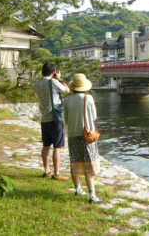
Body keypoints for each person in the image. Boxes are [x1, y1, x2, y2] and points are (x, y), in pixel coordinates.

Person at [63, 73, 102, 203]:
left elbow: (66, 119)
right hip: (87, 136)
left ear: (73, 86)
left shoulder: (67, 100)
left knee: (74, 162)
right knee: (88, 166)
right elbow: (94, 116)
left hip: (73, 135)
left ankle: (78, 189)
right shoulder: (88, 98)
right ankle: (92, 196)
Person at [33, 61, 70, 180]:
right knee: (57, 147)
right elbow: (66, 90)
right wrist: (59, 78)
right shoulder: (53, 81)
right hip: (55, 118)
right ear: (53, 72)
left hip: (44, 119)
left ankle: (47, 170)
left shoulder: (37, 84)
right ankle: (57, 173)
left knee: (46, 146)